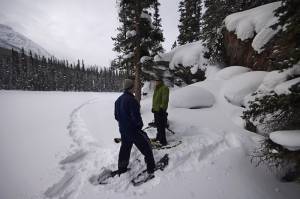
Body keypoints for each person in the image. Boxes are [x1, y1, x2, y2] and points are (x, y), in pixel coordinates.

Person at [114, 79, 155, 178]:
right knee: (147, 146)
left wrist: (124, 123)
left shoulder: (118, 100)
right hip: (133, 130)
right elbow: (136, 117)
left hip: (123, 130)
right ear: (131, 88)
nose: (135, 88)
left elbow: (116, 116)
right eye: (133, 87)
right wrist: (138, 126)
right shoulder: (132, 100)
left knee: (125, 149)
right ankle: (151, 168)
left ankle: (122, 168)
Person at [152, 77, 169, 146]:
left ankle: (163, 141)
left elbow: (165, 99)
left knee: (161, 126)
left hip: (161, 111)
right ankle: (158, 137)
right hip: (156, 110)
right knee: (158, 125)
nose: (156, 82)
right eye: (156, 81)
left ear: (161, 81)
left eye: (158, 81)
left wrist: (162, 108)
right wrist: (153, 108)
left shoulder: (164, 88)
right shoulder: (157, 88)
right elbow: (155, 99)